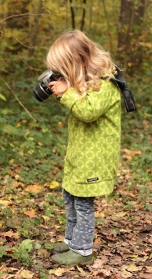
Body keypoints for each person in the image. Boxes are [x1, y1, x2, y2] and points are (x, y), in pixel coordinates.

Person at [45, 30, 122, 265]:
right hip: (80, 155)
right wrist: (66, 90)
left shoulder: (106, 83)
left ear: (76, 62)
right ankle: (71, 241)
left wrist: (66, 93)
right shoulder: (86, 81)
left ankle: (83, 251)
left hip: (95, 157)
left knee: (83, 203)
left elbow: (87, 112)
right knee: (69, 195)